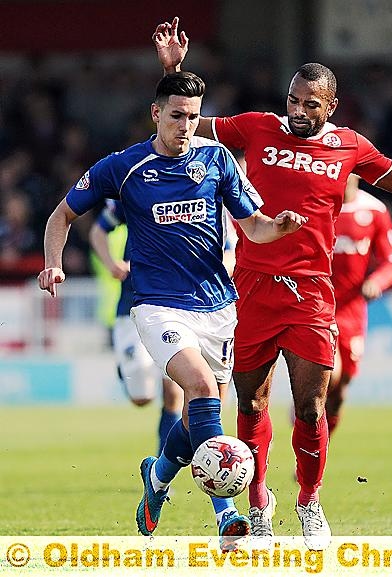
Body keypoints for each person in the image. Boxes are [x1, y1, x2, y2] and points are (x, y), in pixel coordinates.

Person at [152, 17, 392, 548]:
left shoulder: (349, 146)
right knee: (252, 405)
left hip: (311, 295)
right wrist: (175, 71)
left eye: (310, 104)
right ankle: (259, 499)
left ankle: (309, 501)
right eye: (293, 100)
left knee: (310, 407)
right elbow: (186, 123)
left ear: (330, 106)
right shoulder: (257, 127)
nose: (298, 111)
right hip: (252, 289)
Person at [37, 72, 307, 551]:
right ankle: (226, 514)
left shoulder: (217, 159)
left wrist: (278, 226)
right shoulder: (124, 167)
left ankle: (157, 476)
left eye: (195, 116)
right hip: (157, 306)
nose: (187, 125)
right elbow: (63, 215)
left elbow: (255, 228)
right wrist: (53, 264)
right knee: (199, 390)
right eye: (178, 115)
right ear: (156, 114)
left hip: (219, 307)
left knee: (197, 418)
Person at [89, 200, 184, 456]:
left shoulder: (185, 198)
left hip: (172, 308)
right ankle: (126, 369)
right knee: (142, 398)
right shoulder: (130, 196)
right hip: (132, 306)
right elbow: (97, 231)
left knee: (173, 391)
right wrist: (111, 264)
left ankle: (164, 466)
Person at [327, 174, 392, 436]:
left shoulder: (374, 211)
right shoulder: (317, 204)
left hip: (352, 310)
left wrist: (377, 282)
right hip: (318, 305)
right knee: (328, 376)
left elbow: (391, 261)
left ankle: (317, 445)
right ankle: (306, 429)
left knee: (340, 391)